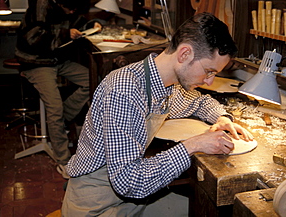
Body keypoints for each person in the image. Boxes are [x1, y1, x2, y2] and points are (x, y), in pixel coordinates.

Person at [62, 12, 253, 216]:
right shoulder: (124, 90)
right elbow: (128, 182)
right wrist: (193, 145)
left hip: (131, 199)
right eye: (209, 71)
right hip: (97, 204)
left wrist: (223, 118)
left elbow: (200, 102)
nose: (210, 82)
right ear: (184, 54)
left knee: (205, 211)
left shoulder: (166, 85)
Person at [15, 0, 102, 178]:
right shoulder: (42, 5)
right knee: (54, 107)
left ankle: (62, 120)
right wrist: (64, 34)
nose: (71, 13)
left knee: (92, 81)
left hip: (54, 59)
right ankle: (64, 161)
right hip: (35, 61)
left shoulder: (68, 5)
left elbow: (77, 22)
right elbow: (32, 39)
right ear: (62, 2)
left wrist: (91, 25)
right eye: (70, 9)